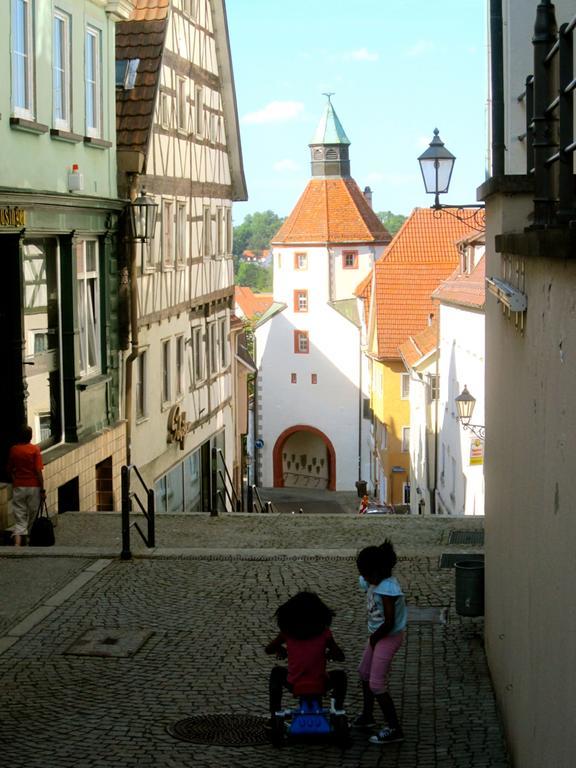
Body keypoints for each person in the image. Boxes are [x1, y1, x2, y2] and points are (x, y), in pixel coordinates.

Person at [355, 539, 407, 745]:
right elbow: (363, 580)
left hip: (387, 637)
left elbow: (390, 621)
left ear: (377, 572)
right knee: (364, 673)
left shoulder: (387, 589)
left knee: (376, 683)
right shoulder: (373, 580)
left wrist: (375, 638)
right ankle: (367, 716)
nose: (364, 579)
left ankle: (394, 728)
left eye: (366, 574)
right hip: (377, 636)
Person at [265, 591, 347, 718]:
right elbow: (340, 656)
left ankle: (274, 713)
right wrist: (330, 653)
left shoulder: (287, 632)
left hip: (294, 682)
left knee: (276, 673)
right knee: (340, 676)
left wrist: (280, 649)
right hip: (319, 682)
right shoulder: (324, 633)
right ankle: (337, 708)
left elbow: (268, 649)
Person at [7, 425, 45, 547]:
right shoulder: (35, 450)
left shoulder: (14, 449)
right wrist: (42, 488)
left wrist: (15, 480)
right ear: (31, 436)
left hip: (19, 486)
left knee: (19, 516)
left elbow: (10, 469)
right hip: (33, 486)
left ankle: (17, 545)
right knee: (33, 514)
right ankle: (29, 542)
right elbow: (38, 471)